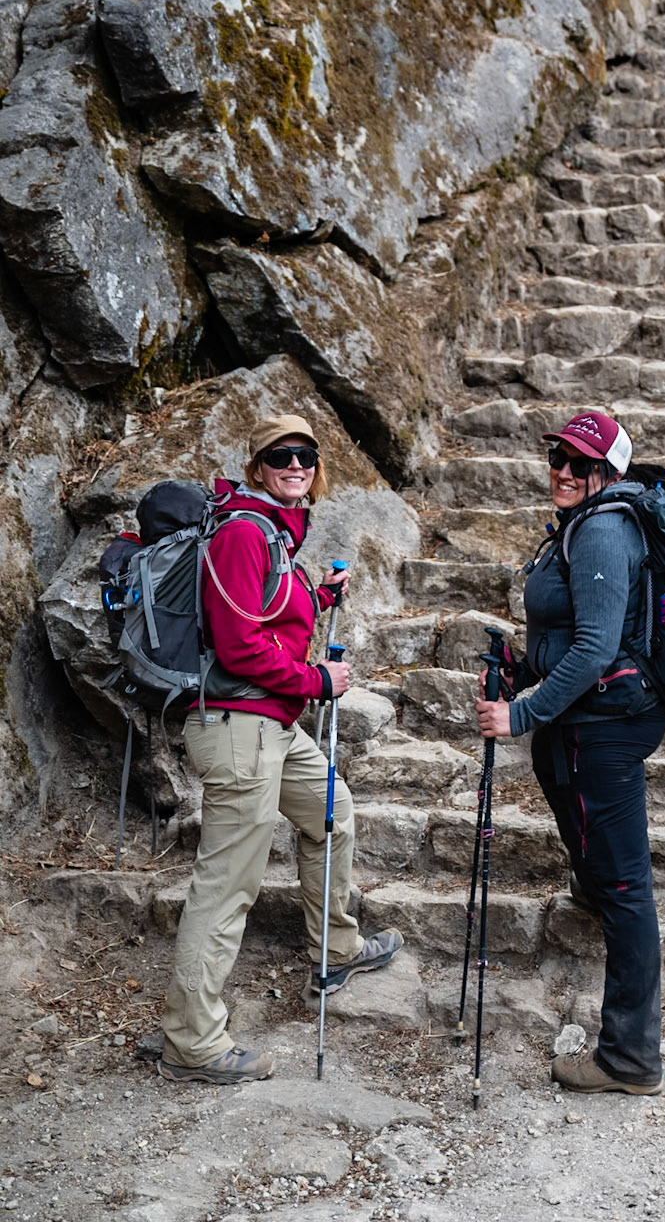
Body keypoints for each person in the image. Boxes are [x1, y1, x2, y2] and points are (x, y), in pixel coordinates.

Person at [159, 412, 402, 1083]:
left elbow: (263, 616)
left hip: (270, 725)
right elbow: (238, 645)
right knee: (226, 886)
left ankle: (337, 949)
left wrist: (316, 596)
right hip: (239, 728)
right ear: (257, 466)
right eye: (279, 456)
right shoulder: (243, 531)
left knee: (332, 812)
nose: (295, 465)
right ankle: (192, 1042)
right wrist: (316, 679)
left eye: (305, 455)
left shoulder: (273, 531)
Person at [474, 408, 665, 1096]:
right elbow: (576, 637)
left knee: (629, 892)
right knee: (586, 830)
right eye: (557, 457)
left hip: (606, 725)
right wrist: (525, 665)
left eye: (579, 463)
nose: (562, 470)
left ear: (608, 471)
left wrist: (521, 713)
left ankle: (629, 1059)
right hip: (591, 716)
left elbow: (594, 650)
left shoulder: (605, 531)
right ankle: (593, 883)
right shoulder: (585, 523)